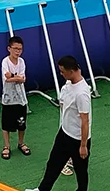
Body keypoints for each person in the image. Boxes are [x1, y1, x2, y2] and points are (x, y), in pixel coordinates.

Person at [26, 55, 91, 191]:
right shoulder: (69, 84)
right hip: (64, 133)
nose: (61, 74)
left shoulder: (82, 93)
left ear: (71, 71)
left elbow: (85, 121)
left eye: (62, 71)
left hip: (77, 139)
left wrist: (83, 145)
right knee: (53, 164)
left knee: (81, 172)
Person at [0, 35, 30, 159]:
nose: (17, 51)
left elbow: (22, 79)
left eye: (20, 49)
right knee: (6, 124)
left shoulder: (22, 62)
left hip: (20, 98)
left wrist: (13, 76)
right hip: (8, 98)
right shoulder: (5, 62)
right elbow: (7, 78)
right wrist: (15, 77)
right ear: (9, 48)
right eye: (15, 48)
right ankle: (6, 146)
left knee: (21, 122)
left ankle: (21, 143)